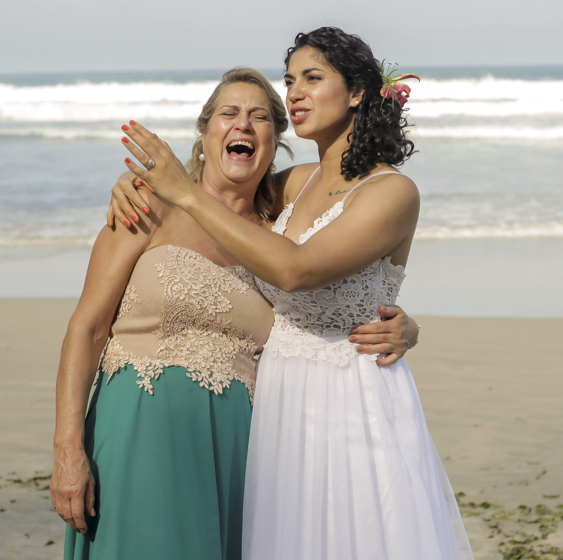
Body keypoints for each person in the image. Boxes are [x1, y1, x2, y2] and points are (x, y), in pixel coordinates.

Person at [118, 27, 474, 559]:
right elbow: (226, 190)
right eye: (289, 81)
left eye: (312, 78)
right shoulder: (293, 183)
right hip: (281, 393)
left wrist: (407, 327)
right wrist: (141, 189)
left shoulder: (392, 191)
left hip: (351, 392)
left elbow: (298, 270)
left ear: (357, 92)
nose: (295, 94)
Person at [52, 67, 420, 560]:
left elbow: (356, 209)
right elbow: (88, 327)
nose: (243, 125)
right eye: (229, 113)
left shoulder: (282, 222)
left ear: (275, 142)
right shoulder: (148, 206)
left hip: (243, 447)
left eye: (261, 117)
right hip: (139, 425)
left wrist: (402, 321)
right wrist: (67, 450)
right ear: (205, 135)